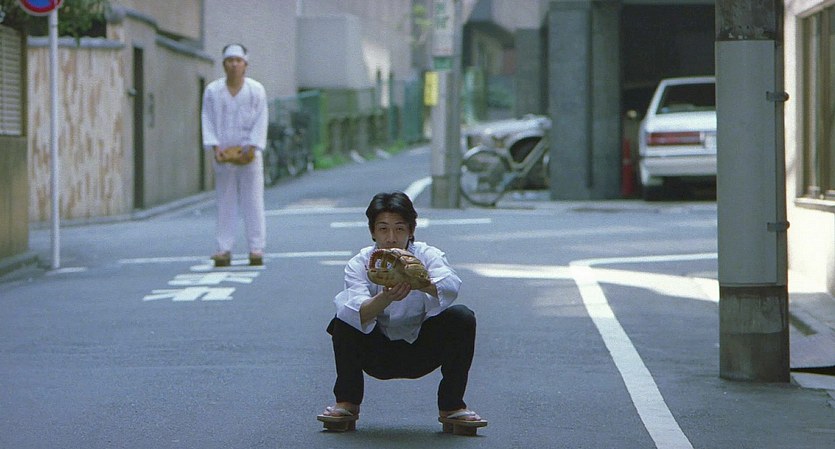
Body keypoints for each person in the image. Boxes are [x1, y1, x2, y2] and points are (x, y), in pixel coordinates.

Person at [317, 191, 487, 433]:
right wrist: (385, 297)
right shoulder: (360, 263)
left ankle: (452, 406)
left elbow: (451, 286)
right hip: (377, 352)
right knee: (343, 319)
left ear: (411, 230)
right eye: (383, 229)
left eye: (399, 229)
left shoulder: (427, 255)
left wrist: (419, 281)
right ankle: (346, 403)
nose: (391, 238)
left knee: (462, 317)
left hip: (421, 350)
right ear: (373, 232)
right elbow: (356, 311)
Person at [201, 43, 268, 267]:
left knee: (253, 200)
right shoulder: (213, 91)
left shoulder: (256, 90)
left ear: (245, 65)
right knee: (225, 200)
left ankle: (256, 248)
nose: (234, 65)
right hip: (223, 152)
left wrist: (253, 147)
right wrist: (215, 146)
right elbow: (207, 119)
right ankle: (224, 248)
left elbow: (261, 120)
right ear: (223, 64)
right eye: (230, 61)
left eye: (238, 61)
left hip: (249, 153)